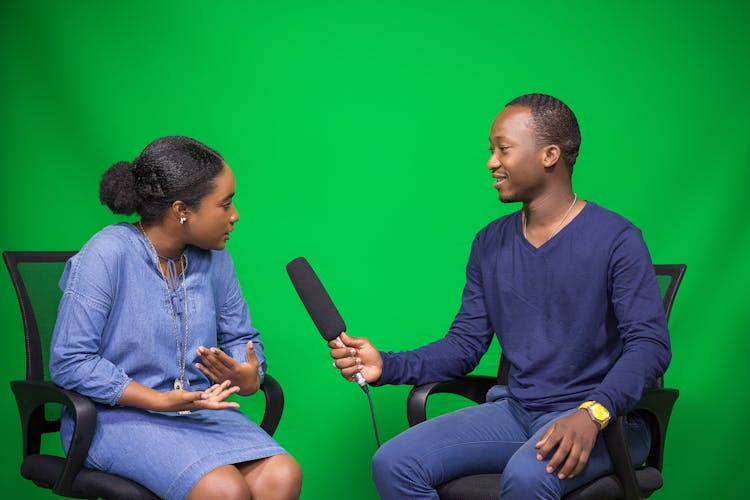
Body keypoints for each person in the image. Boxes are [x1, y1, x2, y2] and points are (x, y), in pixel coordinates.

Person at [329, 94, 671, 499]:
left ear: (549, 154)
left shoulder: (617, 239)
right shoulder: (489, 243)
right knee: (394, 463)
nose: (491, 162)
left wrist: (592, 413)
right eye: (491, 150)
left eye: (503, 149)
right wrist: (386, 364)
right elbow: (464, 345)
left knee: (527, 478)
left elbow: (650, 346)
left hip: (606, 422)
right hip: (517, 412)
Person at [50, 136, 302, 500]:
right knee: (224, 489)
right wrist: (158, 400)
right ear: (182, 210)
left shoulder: (215, 258)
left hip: (196, 412)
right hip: (113, 418)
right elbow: (70, 361)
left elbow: (241, 336)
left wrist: (249, 374)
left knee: (282, 475)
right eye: (225, 204)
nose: (235, 216)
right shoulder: (107, 253)